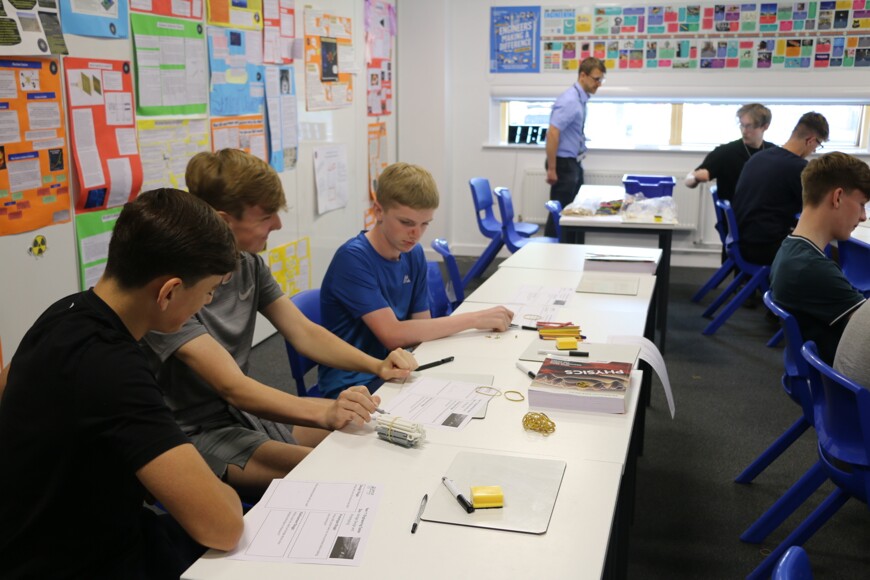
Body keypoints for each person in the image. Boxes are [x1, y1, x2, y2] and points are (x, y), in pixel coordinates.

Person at [142, 150, 418, 499]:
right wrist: (326, 411)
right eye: (266, 217)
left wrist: (377, 365)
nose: (278, 225)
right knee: (340, 474)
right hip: (196, 434)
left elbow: (304, 332)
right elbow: (233, 387)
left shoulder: (248, 264)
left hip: (244, 414)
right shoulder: (181, 290)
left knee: (371, 441)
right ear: (223, 221)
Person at [0, 189, 244, 578]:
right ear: (169, 291)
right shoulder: (114, 369)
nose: (208, 301)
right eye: (209, 291)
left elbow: (9, 390)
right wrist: (228, 495)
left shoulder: (63, 312)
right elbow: (223, 527)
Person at [318, 162, 514, 398]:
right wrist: (475, 318)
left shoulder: (413, 253)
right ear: (378, 211)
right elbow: (392, 334)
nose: (416, 234)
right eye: (406, 223)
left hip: (399, 369)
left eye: (424, 224)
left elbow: (422, 327)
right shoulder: (352, 259)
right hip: (353, 383)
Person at [770, 152, 870, 364]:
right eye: (862, 204)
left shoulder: (790, 248)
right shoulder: (811, 269)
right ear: (837, 197)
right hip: (841, 377)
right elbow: (866, 329)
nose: (863, 216)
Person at [731, 111, 829, 266]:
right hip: (763, 247)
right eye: (818, 145)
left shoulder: (760, 157)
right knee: (823, 253)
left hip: (742, 239)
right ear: (810, 140)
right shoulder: (799, 168)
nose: (814, 151)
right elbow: (818, 209)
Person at [544, 57, 606, 238]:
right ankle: (550, 250)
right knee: (560, 215)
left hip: (572, 162)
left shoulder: (580, 99)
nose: (598, 84)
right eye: (596, 79)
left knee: (574, 214)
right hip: (563, 164)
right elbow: (553, 133)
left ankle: (570, 250)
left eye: (601, 80)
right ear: (583, 76)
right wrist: (552, 169)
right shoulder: (570, 100)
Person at [684, 104, 773, 204]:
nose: (744, 131)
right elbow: (688, 180)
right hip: (737, 211)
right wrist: (695, 178)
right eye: (742, 125)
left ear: (765, 126)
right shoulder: (725, 152)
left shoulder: (774, 153)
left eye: (749, 126)